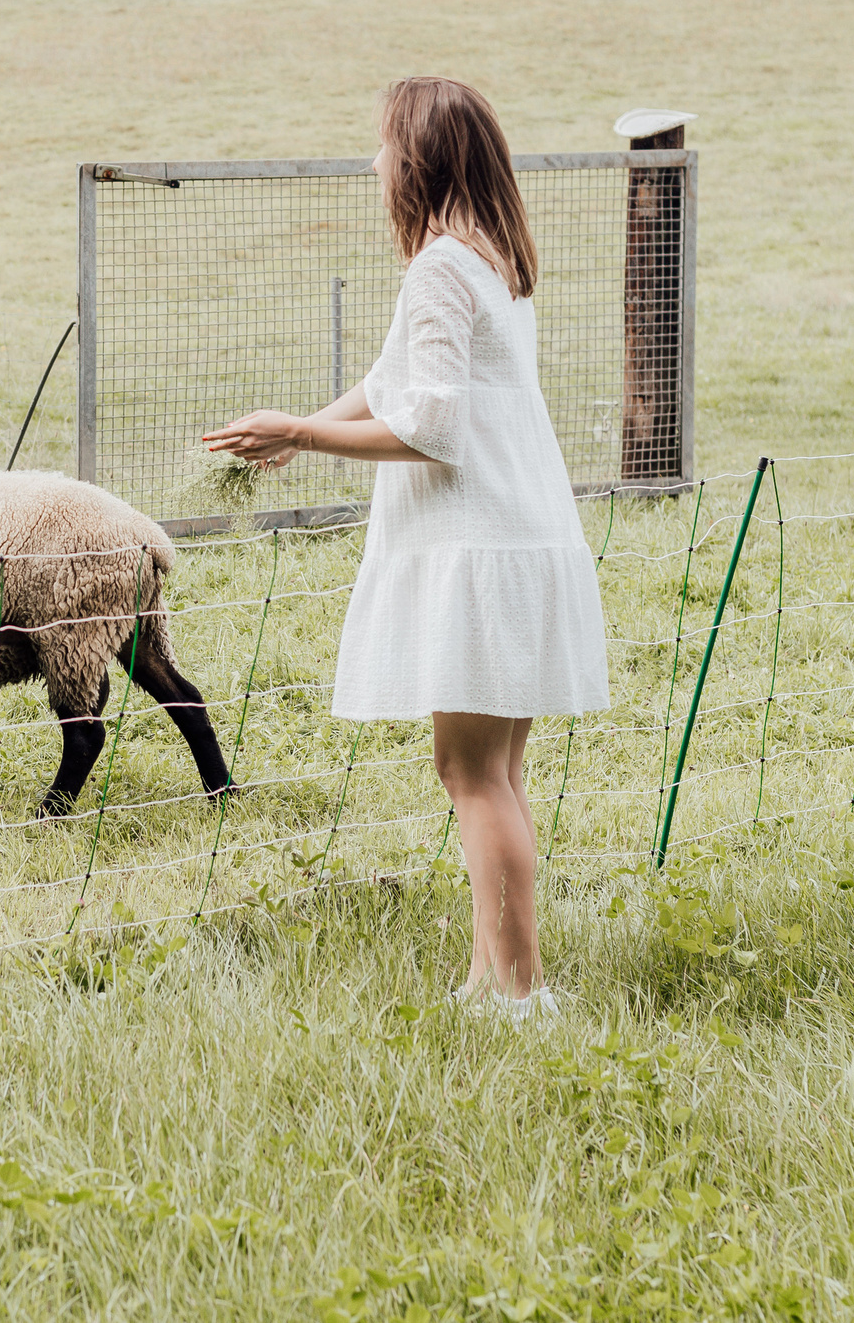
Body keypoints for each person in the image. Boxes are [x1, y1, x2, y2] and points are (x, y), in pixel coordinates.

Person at [202, 77, 609, 1020]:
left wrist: (301, 437)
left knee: (472, 775)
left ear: (418, 159)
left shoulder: (438, 268)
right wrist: (297, 422)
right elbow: (390, 378)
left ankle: (517, 993)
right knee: (494, 773)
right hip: (517, 539)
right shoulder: (487, 262)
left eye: (384, 146)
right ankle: (493, 975)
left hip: (474, 551)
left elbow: (428, 423)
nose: (374, 163)